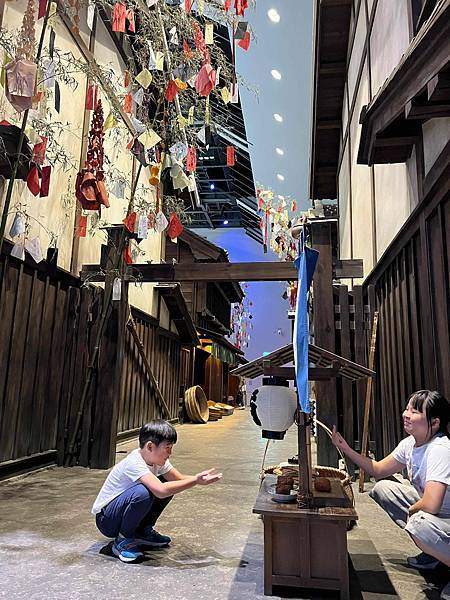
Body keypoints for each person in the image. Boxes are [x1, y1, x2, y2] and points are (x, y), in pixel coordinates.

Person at [332, 390, 450, 600]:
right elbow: (377, 469)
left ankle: (438, 550)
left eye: (414, 411)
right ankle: (435, 555)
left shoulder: (440, 448)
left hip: (443, 516)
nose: (406, 414)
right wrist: (346, 449)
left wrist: (412, 513)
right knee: (383, 489)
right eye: (407, 408)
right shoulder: (411, 444)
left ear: (434, 423)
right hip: (439, 514)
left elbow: (431, 504)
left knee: (419, 523)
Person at [92, 419, 222, 563]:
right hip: (107, 520)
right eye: (167, 448)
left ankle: (142, 532)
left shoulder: (157, 460)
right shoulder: (134, 462)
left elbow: (178, 479)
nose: (170, 453)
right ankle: (123, 540)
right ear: (150, 447)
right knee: (144, 492)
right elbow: (160, 490)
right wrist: (196, 481)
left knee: (168, 484)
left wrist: (199, 479)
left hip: (119, 513)